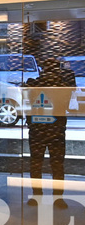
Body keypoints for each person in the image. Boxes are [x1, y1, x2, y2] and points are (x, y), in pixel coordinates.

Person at [25, 57, 76, 208]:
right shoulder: (60, 85)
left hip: (41, 130)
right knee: (56, 165)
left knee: (38, 164)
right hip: (54, 130)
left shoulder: (37, 84)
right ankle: (56, 198)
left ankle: (39, 195)